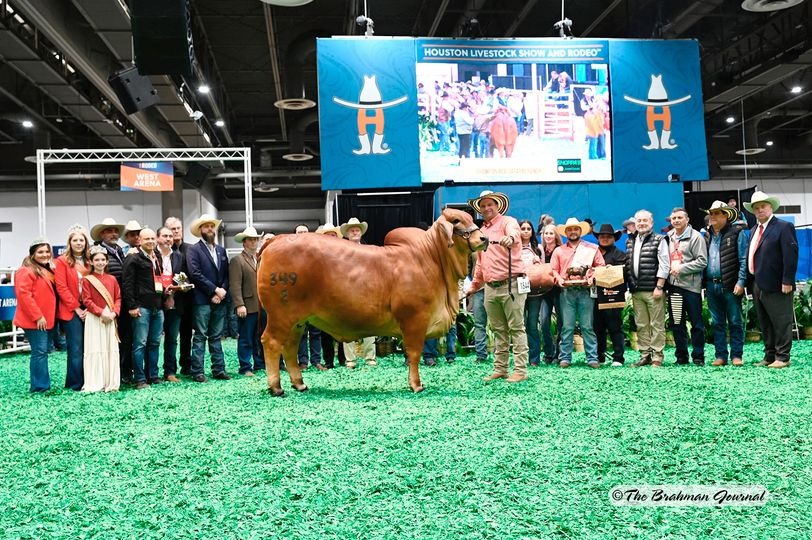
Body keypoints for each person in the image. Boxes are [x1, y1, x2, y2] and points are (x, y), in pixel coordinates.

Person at [467, 191, 529, 383]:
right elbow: (480, 262)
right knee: (498, 330)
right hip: (489, 287)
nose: (486, 208)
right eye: (483, 206)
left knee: (516, 328)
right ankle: (500, 369)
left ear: (497, 206)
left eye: (489, 205)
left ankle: (520, 370)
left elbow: (514, 234)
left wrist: (510, 238)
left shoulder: (508, 222)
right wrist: (474, 286)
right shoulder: (482, 232)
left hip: (511, 284)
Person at [745, 191, 799, 368]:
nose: (760, 210)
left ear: (771, 207)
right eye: (756, 208)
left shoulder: (783, 227)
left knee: (781, 321)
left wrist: (787, 281)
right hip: (758, 283)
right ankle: (769, 356)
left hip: (778, 284)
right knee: (766, 322)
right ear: (753, 211)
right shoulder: (754, 230)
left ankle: (783, 357)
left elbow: (790, 255)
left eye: (763, 206)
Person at [550, 217, 605, 368]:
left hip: (585, 291)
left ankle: (592, 358)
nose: (573, 232)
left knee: (587, 326)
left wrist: (592, 277)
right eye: (570, 229)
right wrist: (559, 279)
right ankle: (565, 358)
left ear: (580, 231)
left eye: (575, 229)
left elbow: (601, 266)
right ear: (565, 232)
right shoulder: (558, 250)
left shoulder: (592, 248)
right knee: (567, 326)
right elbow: (553, 269)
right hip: (567, 291)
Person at [186, 214, 231, 381]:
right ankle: (197, 371)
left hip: (219, 299)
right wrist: (214, 291)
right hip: (202, 300)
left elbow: (226, 274)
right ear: (200, 230)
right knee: (200, 335)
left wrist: (222, 291)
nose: (210, 229)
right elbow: (195, 274)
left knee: (216, 336)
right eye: (206, 226)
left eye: (212, 226)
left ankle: (218, 370)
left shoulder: (221, 250)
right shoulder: (194, 249)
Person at [703, 201, 747, 367]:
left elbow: (743, 259)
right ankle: (721, 355)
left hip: (730, 284)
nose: (712, 216)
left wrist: (741, 281)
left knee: (735, 321)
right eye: (711, 213)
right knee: (717, 322)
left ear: (726, 216)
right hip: (711, 284)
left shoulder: (737, 233)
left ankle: (737, 355)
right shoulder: (706, 235)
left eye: (716, 213)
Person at [625, 210, 670, 367]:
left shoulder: (660, 239)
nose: (642, 223)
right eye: (639, 221)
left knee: (656, 324)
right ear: (635, 224)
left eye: (645, 220)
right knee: (641, 324)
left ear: (651, 223)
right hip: (636, 291)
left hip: (654, 290)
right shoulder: (630, 241)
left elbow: (665, 264)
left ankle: (657, 356)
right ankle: (645, 354)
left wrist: (659, 286)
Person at [122, 228, 164, 389]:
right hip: (141, 307)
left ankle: (152, 375)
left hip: (157, 306)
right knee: (140, 344)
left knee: (154, 342)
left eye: (153, 238)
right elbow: (127, 284)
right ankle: (140, 379)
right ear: (139, 240)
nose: (151, 241)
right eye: (147, 239)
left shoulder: (157, 256)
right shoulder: (133, 258)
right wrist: (132, 306)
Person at [91, 218, 132, 383]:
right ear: (102, 234)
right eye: (109, 231)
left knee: (125, 339)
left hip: (122, 302)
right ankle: (110, 374)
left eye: (116, 231)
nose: (114, 234)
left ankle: (123, 372)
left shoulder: (121, 251)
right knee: (108, 341)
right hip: (106, 305)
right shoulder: (97, 253)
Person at [666, 207, 708, 366]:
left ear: (687, 220)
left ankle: (698, 357)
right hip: (674, 287)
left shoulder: (697, 237)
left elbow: (702, 261)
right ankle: (681, 357)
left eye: (679, 218)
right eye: (673, 218)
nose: (676, 221)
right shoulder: (668, 237)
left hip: (691, 288)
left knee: (696, 324)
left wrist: (681, 269)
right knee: (677, 323)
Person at [14, 238, 57, 393]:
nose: (44, 254)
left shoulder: (47, 270)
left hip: (48, 318)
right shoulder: (25, 270)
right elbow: (24, 295)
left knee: (42, 351)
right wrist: (37, 316)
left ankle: (42, 384)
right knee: (39, 352)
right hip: (36, 320)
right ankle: (40, 387)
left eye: (47, 251)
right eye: (40, 252)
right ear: (32, 254)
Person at [54, 225, 90, 390]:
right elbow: (61, 287)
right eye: (75, 240)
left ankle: (89, 379)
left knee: (89, 346)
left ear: (85, 242)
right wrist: (76, 308)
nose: (78, 243)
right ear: (69, 242)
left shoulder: (90, 260)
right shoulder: (62, 261)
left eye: (81, 240)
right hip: (71, 310)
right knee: (75, 347)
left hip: (89, 307)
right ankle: (75, 383)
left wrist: (89, 307)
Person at [81, 246, 121, 392]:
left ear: (107, 261)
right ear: (91, 262)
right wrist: (101, 313)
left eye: (103, 259)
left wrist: (114, 313)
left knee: (110, 348)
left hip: (110, 317)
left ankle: (111, 382)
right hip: (95, 318)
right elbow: (87, 300)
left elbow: (118, 298)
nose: (100, 262)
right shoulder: (87, 280)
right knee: (96, 347)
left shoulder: (112, 279)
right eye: (97, 259)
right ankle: (96, 382)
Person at [229, 226, 267, 376]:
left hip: (260, 305)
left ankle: (259, 363)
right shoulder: (237, 260)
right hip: (247, 305)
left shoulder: (259, 258)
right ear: (244, 242)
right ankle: (245, 366)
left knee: (258, 336)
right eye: (250, 240)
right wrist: (239, 304)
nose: (254, 242)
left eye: (255, 239)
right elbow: (235, 284)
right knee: (245, 337)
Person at [340, 217, 377, 368]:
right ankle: (350, 360)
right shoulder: (341, 250)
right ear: (347, 234)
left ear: (361, 233)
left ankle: (370, 358)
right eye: (352, 230)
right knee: (347, 325)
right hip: (347, 292)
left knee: (370, 325)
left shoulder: (370, 250)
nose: (355, 232)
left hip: (367, 292)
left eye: (357, 230)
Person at [593, 224, 626, 366]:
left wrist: (612, 270)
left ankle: (618, 357)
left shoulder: (619, 254)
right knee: (597, 327)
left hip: (613, 297)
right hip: (596, 296)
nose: (605, 239)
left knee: (615, 327)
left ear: (614, 238)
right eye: (602, 236)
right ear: (598, 238)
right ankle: (600, 355)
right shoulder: (593, 253)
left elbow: (624, 272)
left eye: (608, 236)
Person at [155, 226, 185, 382]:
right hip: (156, 303)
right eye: (164, 236)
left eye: (170, 236)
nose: (168, 239)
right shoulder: (152, 255)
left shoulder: (179, 256)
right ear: (157, 238)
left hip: (175, 302)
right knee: (153, 340)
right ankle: (151, 373)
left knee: (172, 339)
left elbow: (182, 276)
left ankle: (170, 372)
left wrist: (179, 287)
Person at [165, 216, 194, 376]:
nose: (175, 231)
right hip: (167, 299)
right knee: (169, 337)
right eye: (172, 229)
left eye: (178, 228)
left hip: (187, 299)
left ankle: (186, 364)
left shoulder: (191, 249)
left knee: (186, 334)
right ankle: (169, 368)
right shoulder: (161, 251)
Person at [315, 224, 346, 368]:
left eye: (333, 235)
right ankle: (328, 361)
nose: (330, 238)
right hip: (323, 298)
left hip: (342, 296)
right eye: (327, 235)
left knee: (343, 327)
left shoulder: (344, 254)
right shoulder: (317, 257)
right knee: (325, 330)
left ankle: (343, 359)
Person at [518, 219, 543, 366]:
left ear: (532, 231)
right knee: (519, 324)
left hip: (535, 291)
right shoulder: (513, 249)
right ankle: (520, 358)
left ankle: (534, 358)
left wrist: (538, 261)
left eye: (528, 229)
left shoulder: (538, 248)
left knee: (532, 324)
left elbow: (543, 269)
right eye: (523, 228)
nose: (526, 231)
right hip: (518, 289)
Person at [539, 223, 562, 364]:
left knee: (561, 323)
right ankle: (548, 352)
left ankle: (559, 354)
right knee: (544, 322)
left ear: (556, 236)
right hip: (544, 291)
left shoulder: (561, 250)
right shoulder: (539, 251)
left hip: (559, 290)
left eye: (551, 233)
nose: (548, 236)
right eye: (546, 233)